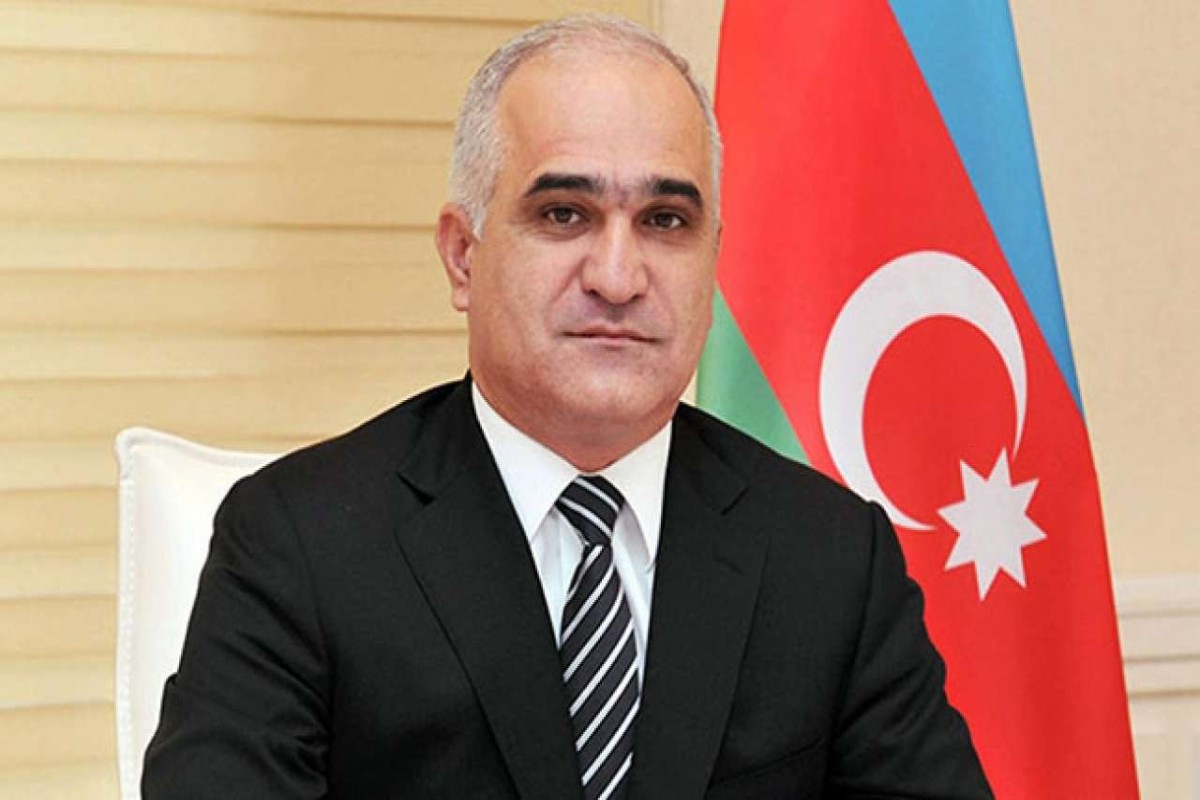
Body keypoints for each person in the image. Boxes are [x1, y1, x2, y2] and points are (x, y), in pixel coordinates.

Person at [143, 14, 991, 800]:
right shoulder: (298, 543)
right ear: (463, 257)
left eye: (666, 221)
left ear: (713, 258)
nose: (617, 278)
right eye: (564, 214)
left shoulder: (832, 557)